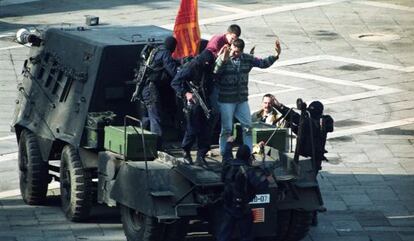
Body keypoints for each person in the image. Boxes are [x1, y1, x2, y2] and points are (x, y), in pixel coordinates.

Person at [214, 38, 282, 155]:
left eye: (237, 52)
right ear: (231, 48)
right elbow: (215, 71)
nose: (235, 54)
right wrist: (222, 60)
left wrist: (276, 55)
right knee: (227, 129)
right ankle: (224, 152)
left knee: (247, 127)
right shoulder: (224, 57)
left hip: (241, 100)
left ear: (241, 51)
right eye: (233, 51)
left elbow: (262, 63)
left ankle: (248, 153)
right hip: (226, 100)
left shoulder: (246, 58)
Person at [272, 97, 334, 225]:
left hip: (313, 158)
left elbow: (322, 126)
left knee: (310, 184)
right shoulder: (307, 122)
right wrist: (281, 108)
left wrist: (282, 108)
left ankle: (313, 212)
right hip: (303, 155)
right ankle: (311, 212)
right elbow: (299, 126)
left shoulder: (322, 121)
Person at [218, 137, 274, 241]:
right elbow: (261, 186)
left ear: (237, 154)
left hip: (228, 205)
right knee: (246, 234)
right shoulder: (248, 171)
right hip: (242, 208)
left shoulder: (227, 164)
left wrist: (229, 143)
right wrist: (268, 178)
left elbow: (226, 154)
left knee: (224, 233)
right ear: (248, 157)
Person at [132, 36, 179, 150]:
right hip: (151, 89)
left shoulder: (155, 50)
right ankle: (156, 146)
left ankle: (141, 143)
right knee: (155, 117)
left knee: (146, 117)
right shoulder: (165, 53)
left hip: (143, 88)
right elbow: (172, 71)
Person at [170, 50, 215, 165]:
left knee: (205, 129)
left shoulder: (207, 66)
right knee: (192, 128)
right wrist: (186, 93)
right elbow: (175, 82)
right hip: (192, 101)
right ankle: (186, 151)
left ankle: (201, 155)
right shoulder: (192, 66)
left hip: (204, 100)